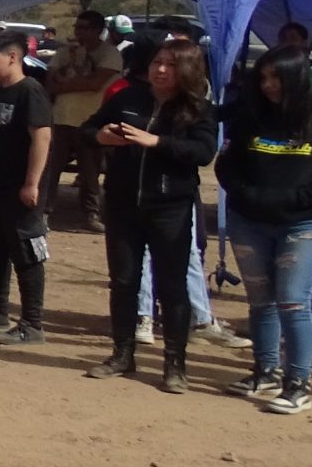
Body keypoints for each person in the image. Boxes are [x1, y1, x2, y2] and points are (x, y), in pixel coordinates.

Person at [87, 37, 217, 392]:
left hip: (169, 208)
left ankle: (175, 364)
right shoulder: (128, 98)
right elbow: (88, 129)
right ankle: (122, 354)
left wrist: (155, 142)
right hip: (123, 205)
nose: (160, 70)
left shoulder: (198, 109)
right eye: (157, 62)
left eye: (171, 65)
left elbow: (204, 152)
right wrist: (100, 137)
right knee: (124, 282)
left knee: (172, 286)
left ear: (187, 69)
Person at [217, 44, 312, 413]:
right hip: (249, 223)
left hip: (305, 224)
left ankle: (299, 383)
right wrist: (248, 195)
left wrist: (285, 200)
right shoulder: (250, 117)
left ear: (296, 77)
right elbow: (226, 166)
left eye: (276, 77)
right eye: (263, 77)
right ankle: (266, 371)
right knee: (260, 301)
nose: (268, 86)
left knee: (293, 299)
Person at [0, 28, 53, 346]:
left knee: (27, 253)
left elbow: (41, 138)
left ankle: (32, 322)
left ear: (13, 56)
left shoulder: (29, 90)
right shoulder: (0, 92)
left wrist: (32, 183)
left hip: (18, 189)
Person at [43, 9, 125, 230]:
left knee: (90, 170)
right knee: (51, 168)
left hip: (92, 119)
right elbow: (49, 83)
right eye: (77, 27)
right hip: (61, 118)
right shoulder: (65, 52)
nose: (79, 32)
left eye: (85, 28)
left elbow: (94, 83)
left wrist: (64, 85)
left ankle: (91, 213)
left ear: (98, 30)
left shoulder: (109, 54)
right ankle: (44, 211)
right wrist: (66, 83)